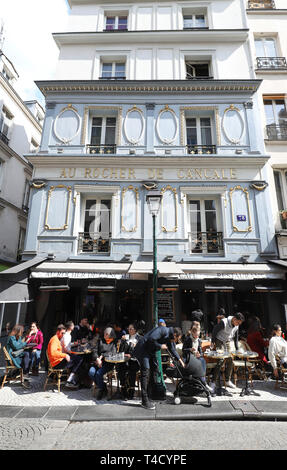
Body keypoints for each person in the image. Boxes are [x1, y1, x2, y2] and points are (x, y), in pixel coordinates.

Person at [133, 325, 185, 409]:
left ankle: (151, 395)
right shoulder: (163, 330)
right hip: (143, 349)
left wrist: (180, 361)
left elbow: (172, 349)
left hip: (150, 351)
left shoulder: (170, 337)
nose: (177, 340)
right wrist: (160, 346)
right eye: (177, 338)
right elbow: (150, 339)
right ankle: (144, 401)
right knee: (145, 373)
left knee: (155, 370)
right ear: (175, 335)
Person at [210, 312, 245, 391]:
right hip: (219, 340)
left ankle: (227, 380)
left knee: (230, 360)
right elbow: (215, 330)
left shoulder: (237, 326)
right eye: (238, 322)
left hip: (228, 341)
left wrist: (237, 349)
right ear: (234, 319)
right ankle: (213, 382)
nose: (238, 324)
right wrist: (212, 341)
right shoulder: (224, 322)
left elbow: (236, 338)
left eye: (239, 323)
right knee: (221, 360)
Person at [47, 324, 83, 389]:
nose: (63, 335)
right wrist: (65, 355)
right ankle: (70, 380)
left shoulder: (57, 339)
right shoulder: (54, 340)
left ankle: (71, 379)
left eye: (64, 333)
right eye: (62, 333)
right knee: (79, 359)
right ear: (58, 331)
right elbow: (53, 353)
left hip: (58, 361)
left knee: (76, 359)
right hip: (56, 364)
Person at [88, 327, 118, 400]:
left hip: (108, 363)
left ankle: (101, 390)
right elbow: (94, 350)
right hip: (97, 362)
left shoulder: (114, 342)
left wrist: (102, 356)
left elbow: (113, 353)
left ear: (111, 334)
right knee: (91, 372)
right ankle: (103, 387)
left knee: (98, 373)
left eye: (107, 334)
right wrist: (97, 358)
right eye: (104, 333)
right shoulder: (100, 341)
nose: (105, 335)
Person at [117, 323, 142, 399]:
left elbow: (140, 351)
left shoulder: (140, 338)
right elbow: (121, 351)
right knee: (121, 367)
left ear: (135, 330)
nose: (129, 330)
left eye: (131, 329)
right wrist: (123, 341)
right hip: (125, 360)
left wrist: (132, 355)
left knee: (132, 369)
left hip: (135, 360)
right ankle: (123, 388)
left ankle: (131, 389)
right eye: (128, 329)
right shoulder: (126, 337)